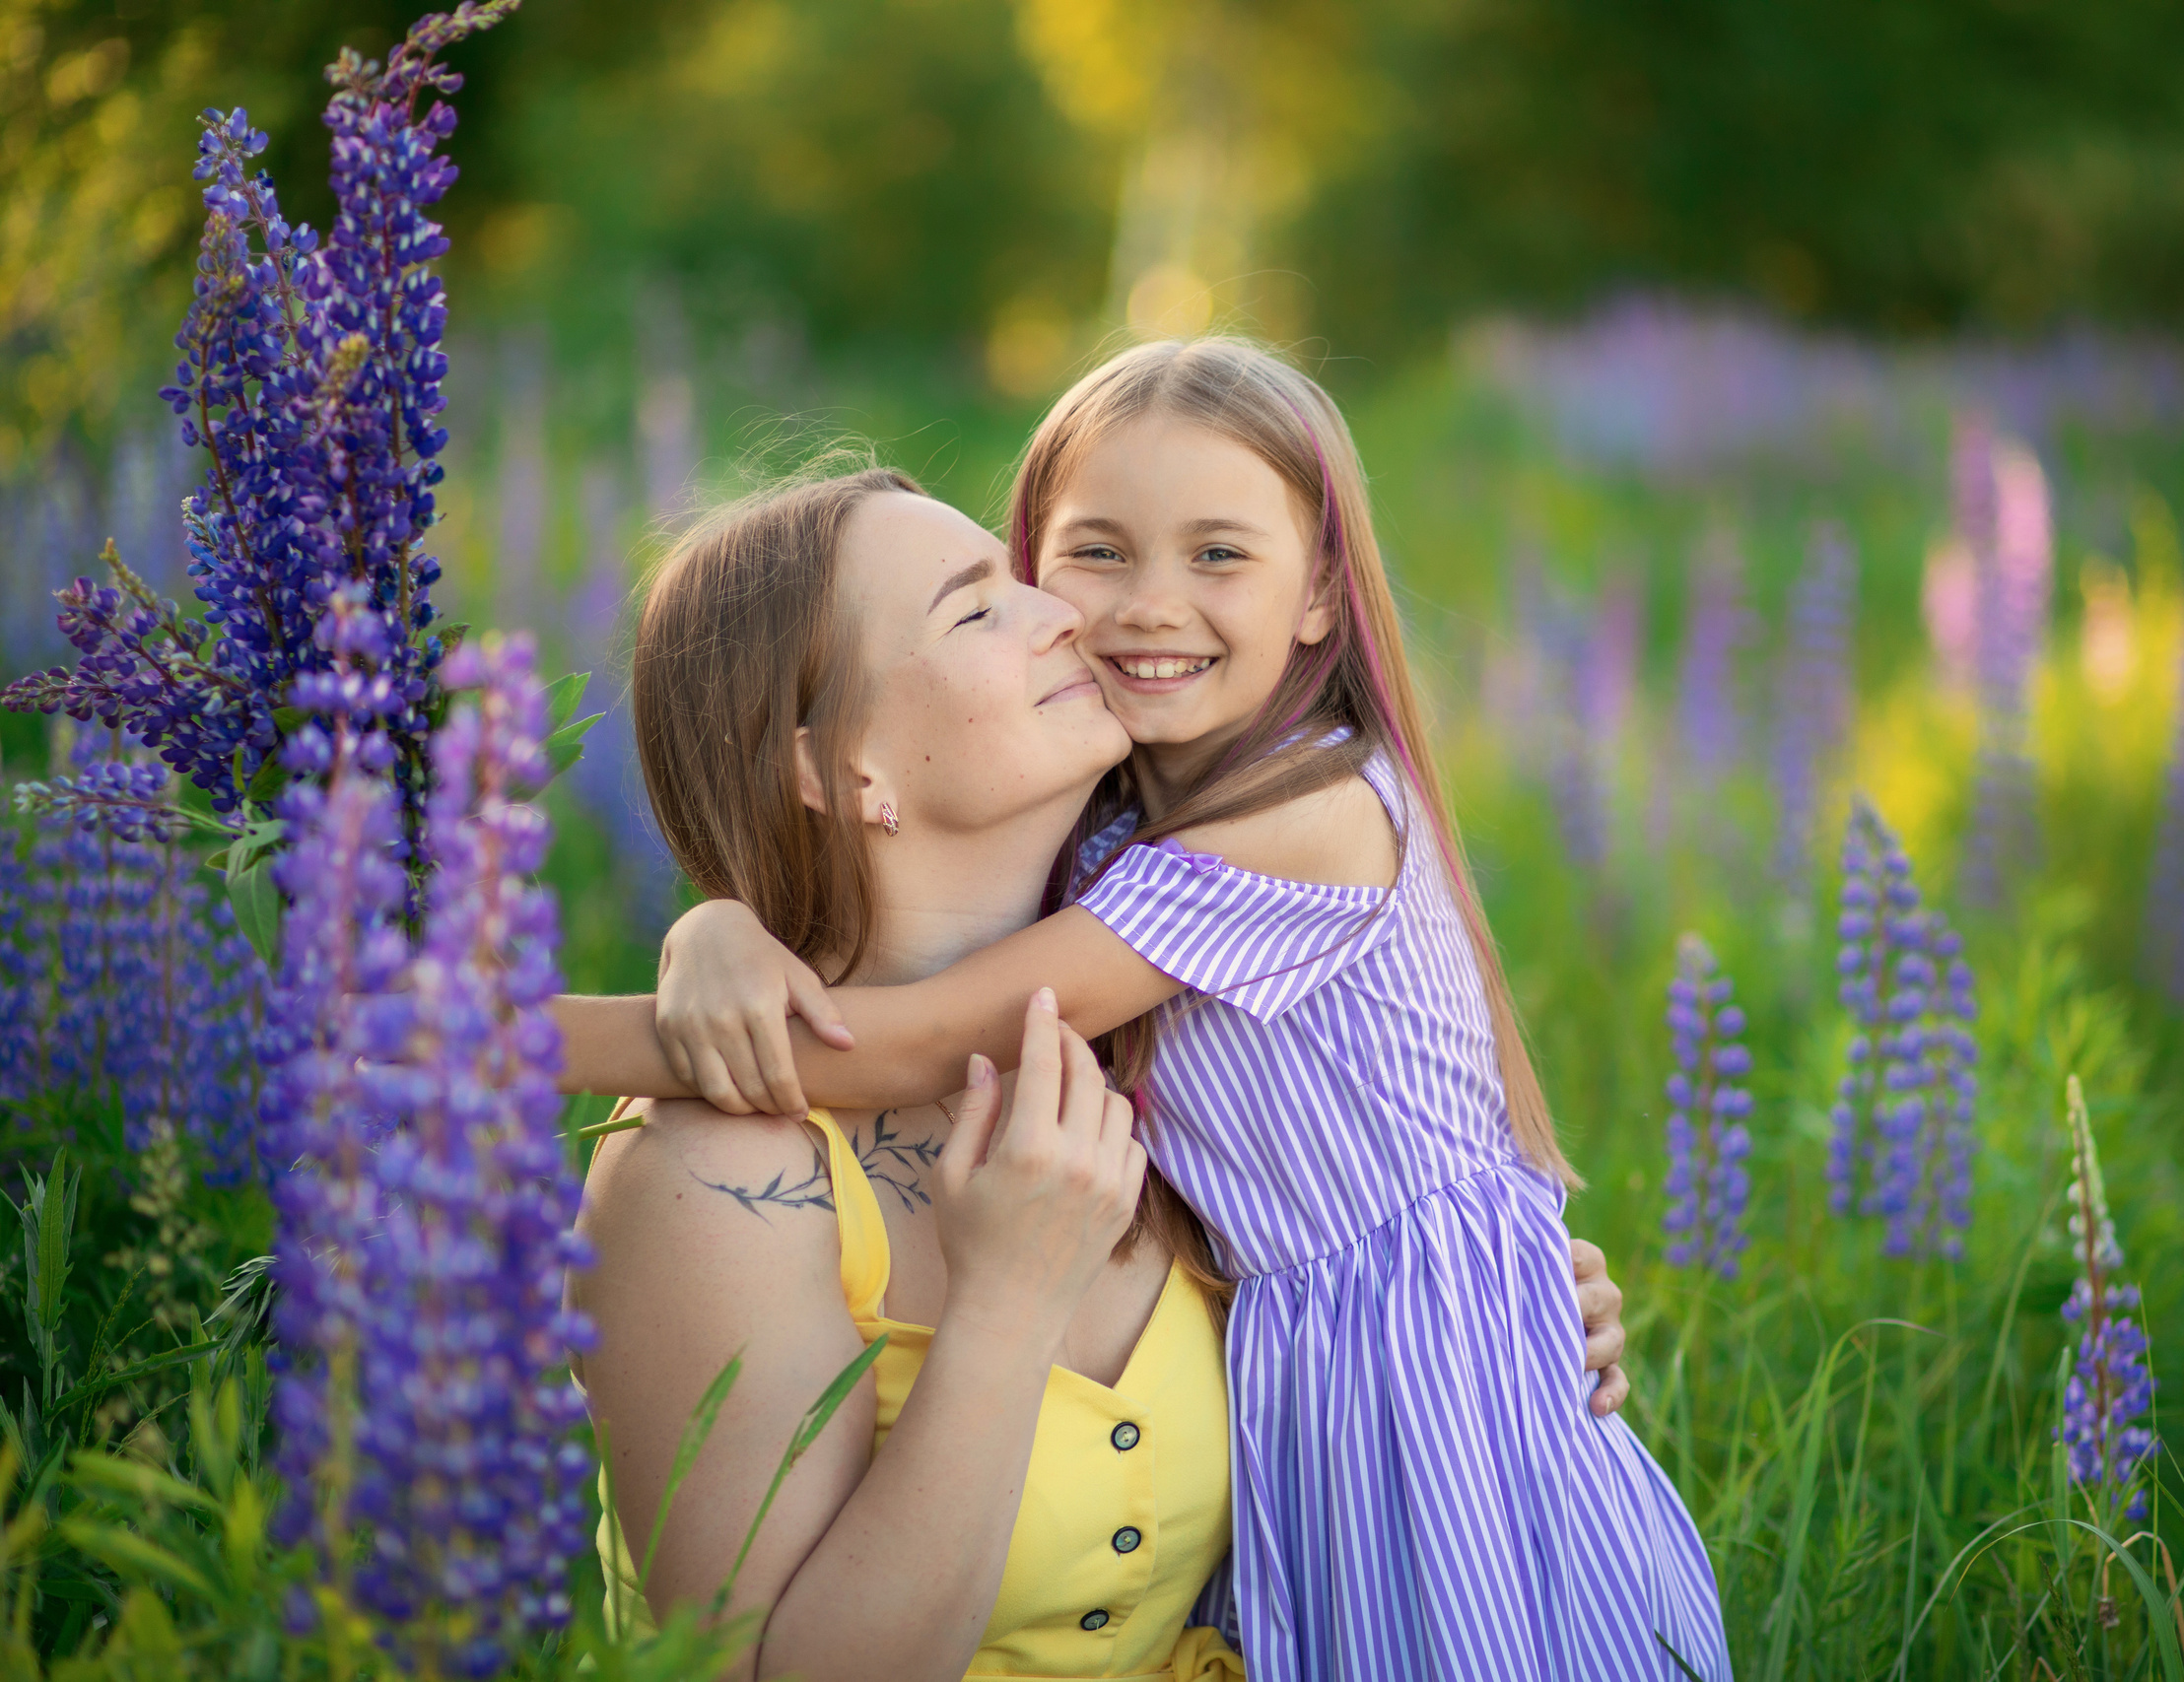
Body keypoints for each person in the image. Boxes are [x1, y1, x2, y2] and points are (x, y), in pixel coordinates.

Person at [584, 339, 1731, 1681]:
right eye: (988, 606)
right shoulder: (712, 1179)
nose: (1075, 617)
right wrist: (1005, 1303)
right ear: (832, 768)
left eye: (1023, 588)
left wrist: (1501, 1294)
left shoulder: (1151, 1049)